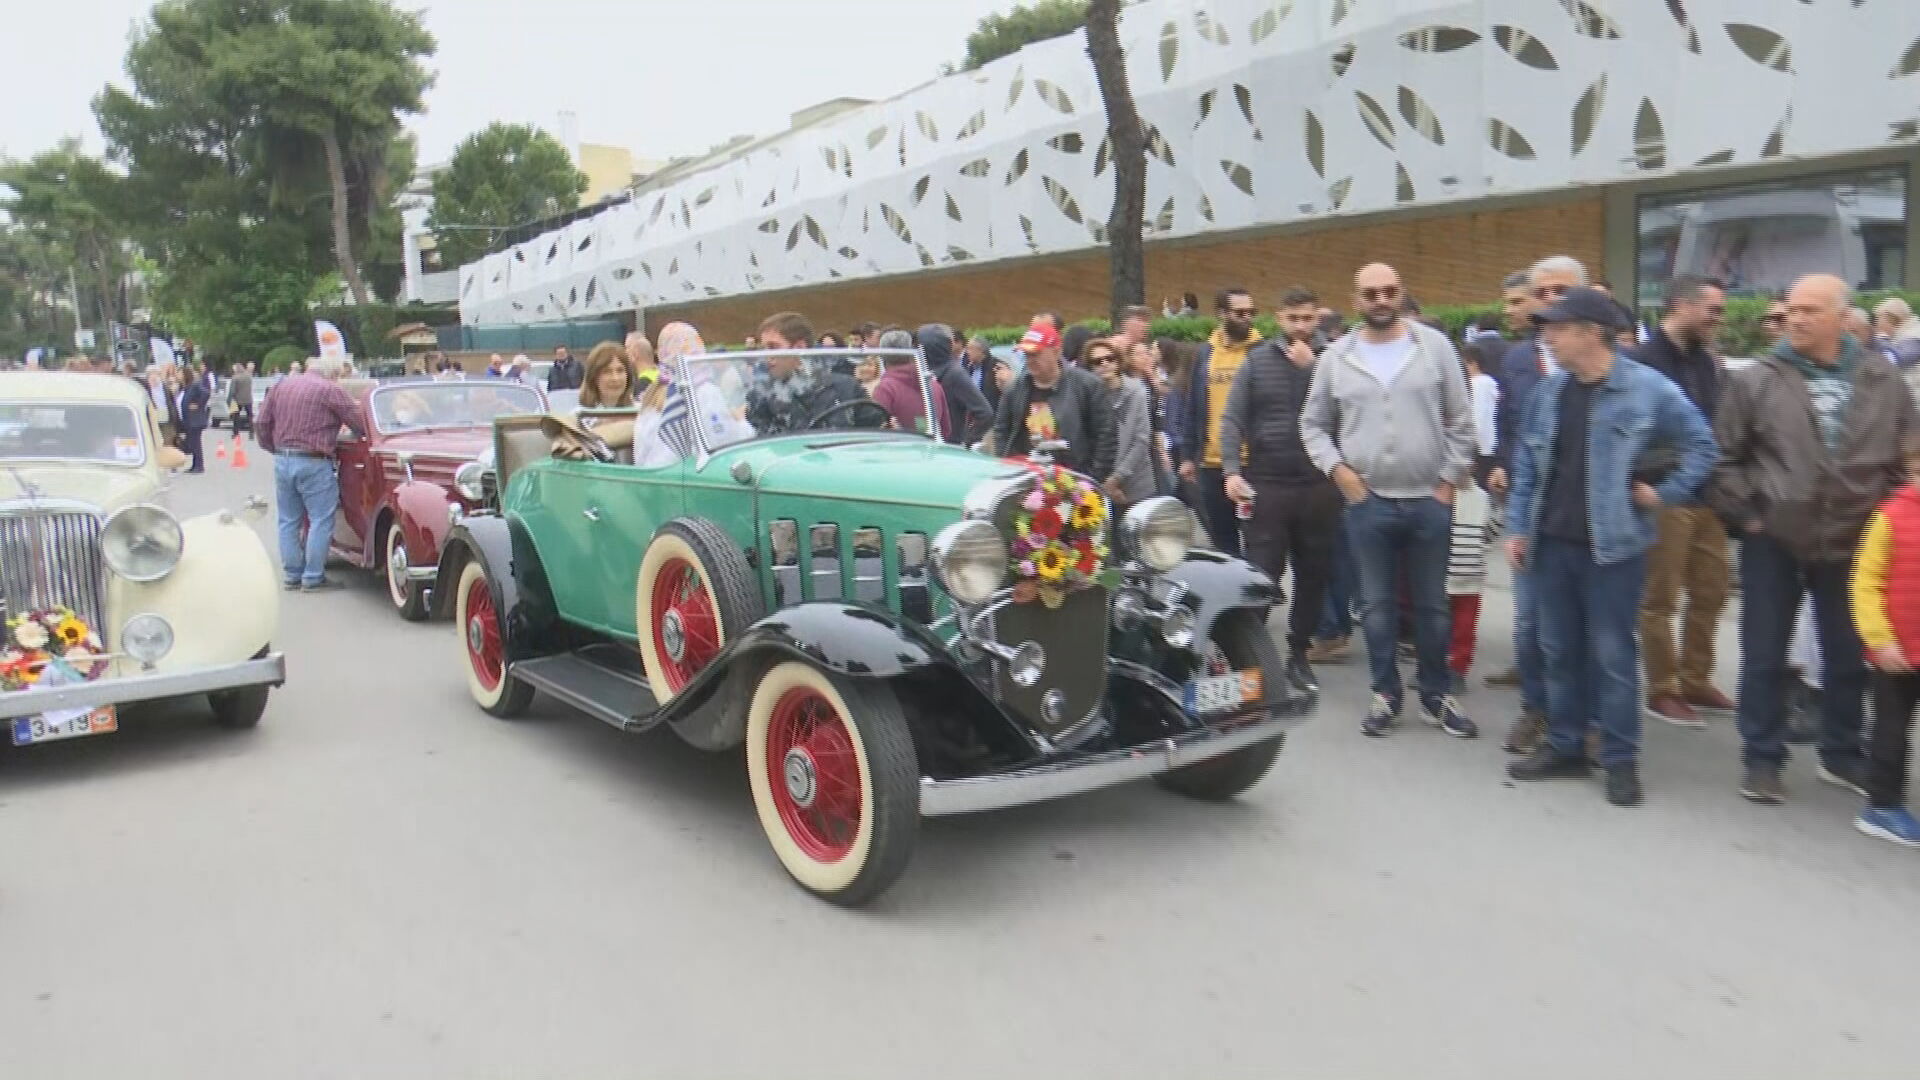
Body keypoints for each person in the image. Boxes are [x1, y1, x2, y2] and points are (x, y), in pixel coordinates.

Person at [1708, 273, 1919, 804]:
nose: (1794, 319)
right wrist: (1751, 515)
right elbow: (1723, 458)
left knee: (1848, 655)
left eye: (1809, 310)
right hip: (1773, 538)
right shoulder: (1755, 380)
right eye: (1790, 310)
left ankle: (1842, 753)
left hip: (1855, 537)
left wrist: (1887, 519)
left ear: (1841, 317)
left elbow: (1905, 455)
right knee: (1764, 654)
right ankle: (1762, 759)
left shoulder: (1881, 377)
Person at [1504, 287, 1719, 806]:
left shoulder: (1647, 388)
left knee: (1613, 657)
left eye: (1556, 327)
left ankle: (1620, 759)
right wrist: (1518, 528)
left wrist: (1663, 493)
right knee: (1559, 652)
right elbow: (1529, 467)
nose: (1547, 337)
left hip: (1614, 548)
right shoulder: (1550, 394)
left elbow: (1703, 446)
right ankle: (1566, 746)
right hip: (1550, 544)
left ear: (1591, 332)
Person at [1300, 263, 1478, 739]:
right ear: (1356, 300)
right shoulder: (1337, 356)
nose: (1381, 299)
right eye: (1371, 293)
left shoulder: (1434, 347)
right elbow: (1313, 424)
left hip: (1429, 500)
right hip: (1368, 505)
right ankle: (1385, 694)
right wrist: (1340, 474)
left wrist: (1446, 483)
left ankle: (1436, 694)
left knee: (1432, 608)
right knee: (1376, 609)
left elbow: (1462, 421)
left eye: (1390, 291)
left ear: (1401, 294)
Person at [1487, 254, 1589, 752]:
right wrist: (1501, 462)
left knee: (1586, 628)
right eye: (1541, 293)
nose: (1549, 301)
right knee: (1529, 623)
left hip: (1587, 512)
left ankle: (1585, 719)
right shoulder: (1518, 358)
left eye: (1559, 291)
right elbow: (1509, 424)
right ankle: (1538, 709)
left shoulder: (1614, 358)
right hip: (1530, 507)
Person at [1218, 287, 1342, 694]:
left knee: (1313, 574)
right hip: (1267, 483)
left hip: (1318, 483)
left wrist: (1312, 369)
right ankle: (1249, 658)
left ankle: (1299, 655)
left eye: (1308, 319)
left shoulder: (1335, 360)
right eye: (1294, 319)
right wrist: (1232, 470)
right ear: (1279, 319)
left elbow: (1348, 408)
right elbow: (1233, 419)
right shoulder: (1256, 362)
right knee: (1259, 575)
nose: (1302, 327)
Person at [1629, 274, 1733, 727]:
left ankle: (1695, 678)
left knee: (1713, 591)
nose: (1719, 319)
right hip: (1663, 495)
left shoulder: (1707, 362)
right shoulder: (1640, 362)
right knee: (1660, 598)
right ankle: (1663, 688)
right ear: (1680, 305)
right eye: (1712, 309)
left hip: (1708, 495)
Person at [1846, 435, 1920, 846]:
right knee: (1892, 729)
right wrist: (1880, 639)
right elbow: (1865, 583)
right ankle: (1882, 807)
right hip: (1895, 650)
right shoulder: (1890, 518)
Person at [255, 357, 366, 592]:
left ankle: (292, 574)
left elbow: (262, 422)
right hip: (314, 461)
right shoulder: (330, 390)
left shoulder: (281, 386)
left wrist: (272, 447)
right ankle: (313, 577)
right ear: (333, 374)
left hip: (283, 459)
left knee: (288, 520)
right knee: (320, 519)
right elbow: (359, 423)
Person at [1177, 288, 1264, 556]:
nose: (1247, 318)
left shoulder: (1263, 351)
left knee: (1257, 538)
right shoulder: (1204, 353)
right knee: (1222, 540)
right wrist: (1188, 455)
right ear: (1222, 314)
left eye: (1251, 313)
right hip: (1211, 463)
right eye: (1239, 313)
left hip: (1253, 462)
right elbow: (1193, 405)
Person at [990, 318, 1114, 477]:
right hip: (1026, 478)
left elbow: (1106, 436)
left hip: (1076, 479)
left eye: (1036, 354)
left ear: (1056, 352)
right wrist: (1008, 467)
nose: (1030, 360)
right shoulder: (1015, 390)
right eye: (1027, 355)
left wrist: (1093, 477)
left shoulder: (1087, 385)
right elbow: (1001, 431)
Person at [747, 312, 861, 434]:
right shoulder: (762, 396)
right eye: (764, 349)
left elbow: (872, 437)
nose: (766, 356)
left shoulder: (846, 387)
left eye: (773, 347)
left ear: (799, 348)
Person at [1086, 338, 1154, 513]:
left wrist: (1116, 478)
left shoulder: (1137, 391)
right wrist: (1104, 481)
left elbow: (1142, 440)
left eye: (1110, 358)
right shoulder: (1089, 397)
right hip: (1099, 482)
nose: (1105, 364)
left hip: (1136, 481)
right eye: (1097, 361)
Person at [916, 323, 992, 445]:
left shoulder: (955, 374)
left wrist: (966, 442)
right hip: (924, 444)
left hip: (949, 447)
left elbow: (984, 413)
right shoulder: (921, 372)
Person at [871, 330, 946, 433]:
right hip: (930, 446)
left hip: (897, 447)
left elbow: (875, 431)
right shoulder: (934, 385)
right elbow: (945, 430)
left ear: (882, 355)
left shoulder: (885, 388)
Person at [578, 341, 636, 410]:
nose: (615, 378)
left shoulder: (642, 414)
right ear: (593, 377)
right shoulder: (578, 417)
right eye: (607, 372)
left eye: (620, 370)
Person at [178, 364, 210, 472]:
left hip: (195, 420)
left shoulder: (194, 385)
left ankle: (199, 466)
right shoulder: (185, 387)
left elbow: (206, 393)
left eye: (180, 373)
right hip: (188, 420)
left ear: (185, 375)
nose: (178, 375)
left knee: (196, 443)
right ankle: (194, 465)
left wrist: (198, 404)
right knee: (193, 443)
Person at [1874, 296, 1920, 370]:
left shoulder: (1914, 337)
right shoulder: (1905, 334)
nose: (1877, 325)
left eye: (1879, 319)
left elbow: (1894, 360)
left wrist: (1882, 336)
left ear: (1889, 319)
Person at [227, 361, 254, 433]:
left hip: (238, 400)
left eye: (234, 369)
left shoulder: (235, 378)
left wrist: (229, 401)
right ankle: (251, 431)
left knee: (236, 416)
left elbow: (232, 391)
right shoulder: (248, 376)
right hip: (248, 399)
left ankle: (235, 432)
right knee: (250, 416)